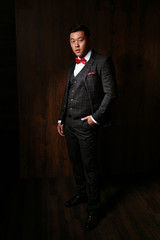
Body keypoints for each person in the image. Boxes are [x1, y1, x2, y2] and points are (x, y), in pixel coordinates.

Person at [57, 24, 117, 231]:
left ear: (88, 40)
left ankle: (94, 209)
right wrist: (60, 119)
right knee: (75, 162)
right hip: (70, 123)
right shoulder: (70, 64)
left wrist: (95, 117)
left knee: (90, 167)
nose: (76, 44)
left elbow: (111, 93)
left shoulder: (102, 61)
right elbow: (67, 92)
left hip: (87, 124)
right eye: (72, 41)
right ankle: (82, 194)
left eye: (80, 40)